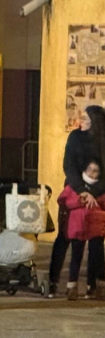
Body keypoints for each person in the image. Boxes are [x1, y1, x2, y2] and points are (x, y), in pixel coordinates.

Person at [49, 105, 105, 299]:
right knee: (67, 236)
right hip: (74, 193)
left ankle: (94, 284)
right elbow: (69, 166)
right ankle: (54, 281)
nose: (81, 122)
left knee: (97, 240)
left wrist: (94, 192)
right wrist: (82, 191)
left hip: (99, 197)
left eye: (86, 119)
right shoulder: (75, 138)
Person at [57, 159, 105, 300]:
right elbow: (63, 200)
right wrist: (80, 200)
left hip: (96, 227)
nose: (92, 173)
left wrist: (97, 200)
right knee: (76, 257)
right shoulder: (74, 186)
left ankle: (95, 286)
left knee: (97, 257)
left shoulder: (101, 188)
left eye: (95, 171)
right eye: (89, 169)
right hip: (78, 227)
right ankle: (72, 286)